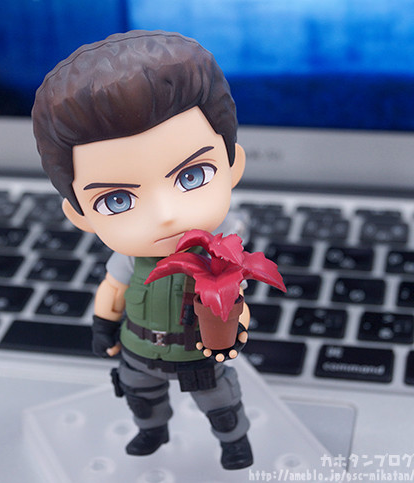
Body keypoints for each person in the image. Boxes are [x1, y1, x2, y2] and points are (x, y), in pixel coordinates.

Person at [32, 30, 253, 470]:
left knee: (220, 401)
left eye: (192, 176)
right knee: (140, 396)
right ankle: (152, 430)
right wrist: (102, 326)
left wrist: (233, 334)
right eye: (117, 200)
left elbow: (235, 303)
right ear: (80, 215)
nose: (165, 215)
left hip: (195, 353)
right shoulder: (129, 258)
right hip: (137, 349)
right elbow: (113, 291)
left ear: (232, 166)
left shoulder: (219, 259)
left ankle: (234, 440)